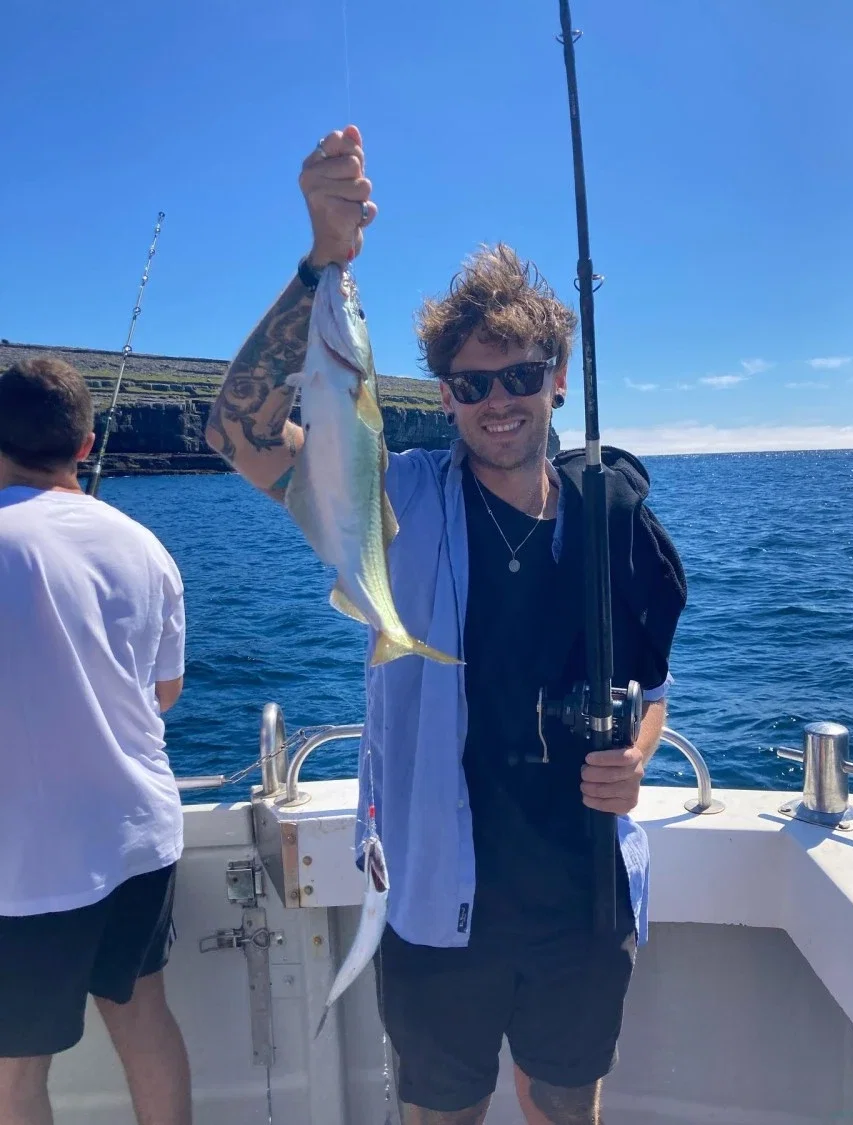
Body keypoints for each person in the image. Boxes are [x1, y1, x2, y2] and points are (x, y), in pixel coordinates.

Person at [206, 125, 687, 1125]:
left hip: (584, 895)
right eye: (472, 383)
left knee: (566, 1106)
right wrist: (320, 266)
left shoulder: (615, 519)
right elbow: (236, 431)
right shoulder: (397, 498)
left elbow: (650, 689)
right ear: (445, 397)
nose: (497, 401)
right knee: (441, 1114)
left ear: (558, 376)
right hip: (432, 896)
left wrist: (637, 757)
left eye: (521, 376)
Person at [0, 357, 192, 1125]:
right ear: (85, 445)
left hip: (26, 859)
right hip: (137, 837)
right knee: (144, 1019)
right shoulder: (146, 546)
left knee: (16, 1071)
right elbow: (165, 693)